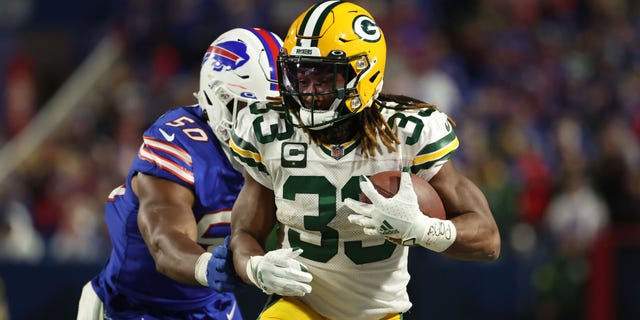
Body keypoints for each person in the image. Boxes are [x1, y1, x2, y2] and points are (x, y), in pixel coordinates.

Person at [228, 1, 501, 319]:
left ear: (365, 74)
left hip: (377, 313)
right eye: (301, 78)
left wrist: (422, 229)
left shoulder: (407, 132)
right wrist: (257, 267)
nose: (309, 92)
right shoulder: (270, 129)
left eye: (325, 78)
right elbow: (243, 234)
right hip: (300, 305)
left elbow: (488, 239)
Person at [76, 27, 283, 320]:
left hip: (213, 306)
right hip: (133, 305)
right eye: (255, 108)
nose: (270, 123)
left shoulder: (284, 147)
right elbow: (165, 241)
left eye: (279, 108)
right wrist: (207, 267)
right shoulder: (180, 141)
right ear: (218, 98)